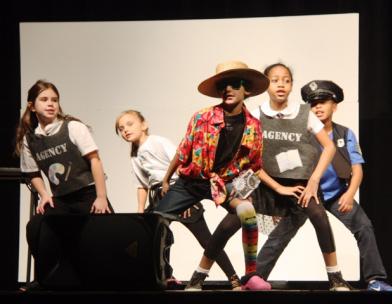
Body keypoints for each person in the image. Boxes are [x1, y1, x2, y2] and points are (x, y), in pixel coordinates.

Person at [154, 60, 271, 291]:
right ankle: (157, 273)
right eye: (223, 86)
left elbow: (254, 166)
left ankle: (249, 275)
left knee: (247, 213)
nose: (227, 89)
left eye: (233, 84)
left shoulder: (253, 126)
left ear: (245, 90)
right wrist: (167, 179)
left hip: (223, 184)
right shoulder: (202, 117)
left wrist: (245, 193)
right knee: (155, 220)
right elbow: (183, 149)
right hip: (191, 182)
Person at [251, 63, 353, 291]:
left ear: (291, 85)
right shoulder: (256, 114)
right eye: (275, 80)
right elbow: (247, 155)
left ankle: (335, 277)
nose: (281, 84)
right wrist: (275, 186)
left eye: (286, 80)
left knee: (319, 217)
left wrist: (314, 180)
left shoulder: (303, 113)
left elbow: (329, 148)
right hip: (267, 182)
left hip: (299, 184)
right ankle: (238, 278)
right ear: (267, 84)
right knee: (233, 219)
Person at [115, 109, 242, 290]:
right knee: (153, 237)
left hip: (179, 190)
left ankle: (233, 278)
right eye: (121, 129)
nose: (125, 130)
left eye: (129, 124)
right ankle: (166, 275)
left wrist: (186, 198)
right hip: (159, 196)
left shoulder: (157, 141)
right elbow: (142, 184)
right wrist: (140, 210)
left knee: (205, 240)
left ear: (144, 125)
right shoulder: (134, 154)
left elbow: (182, 160)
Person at [15, 80, 113, 291]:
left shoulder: (72, 127)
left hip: (88, 193)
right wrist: (44, 194)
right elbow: (33, 173)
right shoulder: (30, 139)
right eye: (44, 100)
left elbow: (95, 160)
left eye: (54, 100)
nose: (50, 104)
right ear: (32, 105)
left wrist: (101, 196)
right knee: (36, 227)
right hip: (61, 199)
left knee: (106, 237)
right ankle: (45, 281)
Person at [301, 80, 392, 292]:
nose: (317, 107)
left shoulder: (345, 134)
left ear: (334, 106)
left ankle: (375, 280)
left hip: (336, 195)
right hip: (308, 195)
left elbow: (358, 169)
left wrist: (350, 193)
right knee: (281, 234)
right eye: (313, 103)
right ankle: (256, 277)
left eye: (323, 102)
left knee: (364, 226)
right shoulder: (304, 134)